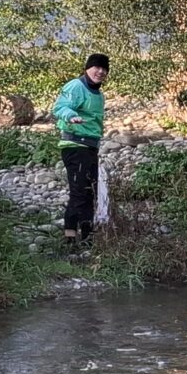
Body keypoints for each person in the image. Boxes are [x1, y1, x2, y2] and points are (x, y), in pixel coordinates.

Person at [53, 52, 109, 249]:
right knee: (78, 192)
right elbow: (60, 107)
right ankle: (69, 238)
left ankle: (87, 238)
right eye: (97, 67)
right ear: (87, 68)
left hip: (91, 147)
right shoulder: (76, 86)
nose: (100, 71)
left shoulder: (99, 94)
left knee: (90, 192)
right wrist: (71, 116)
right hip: (75, 146)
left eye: (104, 69)